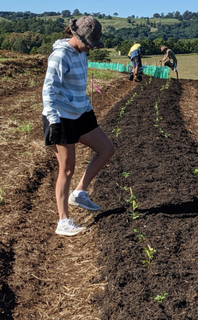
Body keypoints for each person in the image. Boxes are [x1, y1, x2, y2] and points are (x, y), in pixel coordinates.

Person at [42, 16, 116, 236]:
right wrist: (54, 122)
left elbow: (78, 87)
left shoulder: (81, 54)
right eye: (89, 43)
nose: (90, 48)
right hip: (60, 117)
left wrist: (87, 107)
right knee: (66, 168)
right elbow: (48, 92)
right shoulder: (60, 55)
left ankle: (80, 192)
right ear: (76, 35)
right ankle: (63, 221)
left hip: (80, 113)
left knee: (106, 149)